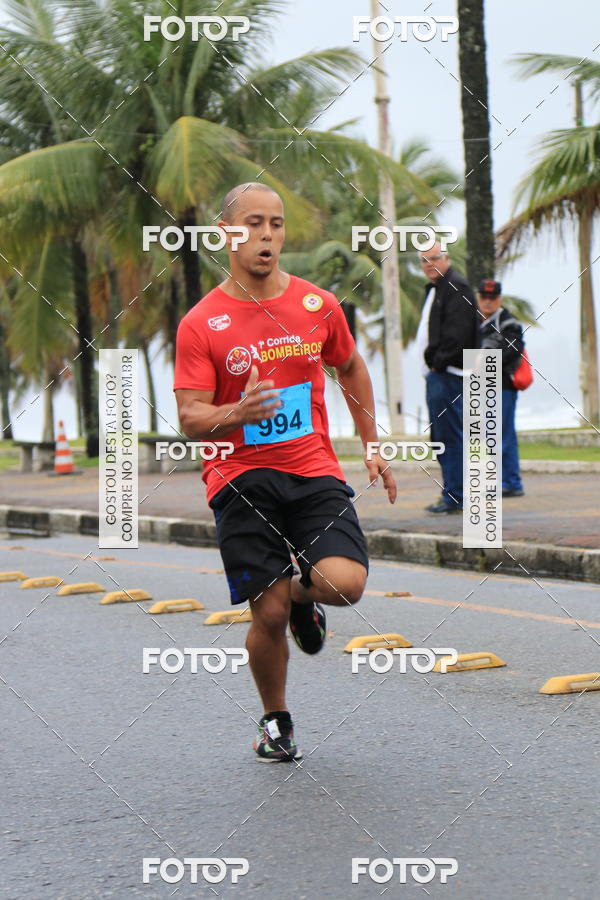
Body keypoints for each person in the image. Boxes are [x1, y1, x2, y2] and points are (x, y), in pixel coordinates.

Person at [173, 182, 396, 762]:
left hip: (313, 469)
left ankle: (305, 596)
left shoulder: (316, 305)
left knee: (345, 584)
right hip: (238, 476)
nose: (266, 234)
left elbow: (350, 369)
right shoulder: (202, 323)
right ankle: (276, 719)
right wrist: (236, 413)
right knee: (265, 613)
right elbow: (191, 417)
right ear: (227, 234)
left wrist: (372, 444)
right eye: (252, 223)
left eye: (275, 223)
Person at [416, 242, 479, 513]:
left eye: (434, 258)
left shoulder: (457, 287)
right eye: (423, 260)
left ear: (447, 258)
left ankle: (456, 496)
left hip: (448, 374)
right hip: (437, 376)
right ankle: (452, 492)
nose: (429, 264)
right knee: (440, 437)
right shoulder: (436, 289)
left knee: (450, 436)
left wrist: (436, 362)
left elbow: (458, 335)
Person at [477, 279, 525, 497]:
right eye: (484, 297)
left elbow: (514, 350)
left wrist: (482, 362)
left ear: (500, 299)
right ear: (478, 297)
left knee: (504, 436)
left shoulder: (509, 322)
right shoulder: (472, 321)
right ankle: (496, 481)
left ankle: (512, 483)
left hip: (502, 386)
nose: (487, 302)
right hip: (479, 387)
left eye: (492, 298)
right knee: (486, 437)